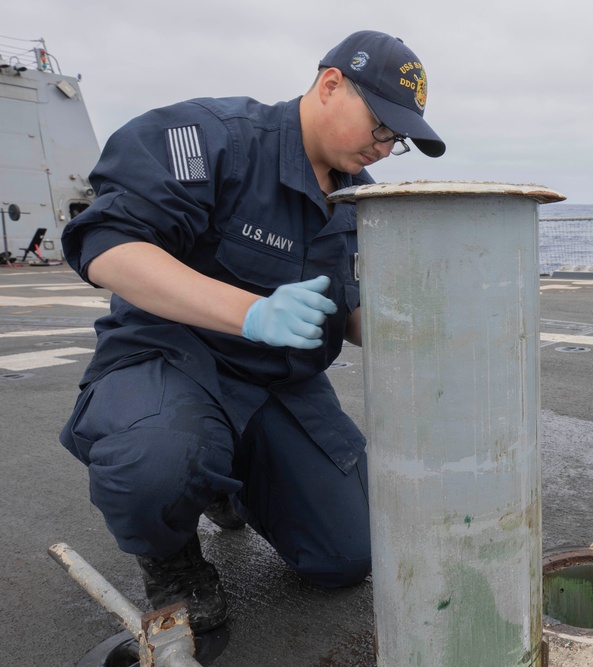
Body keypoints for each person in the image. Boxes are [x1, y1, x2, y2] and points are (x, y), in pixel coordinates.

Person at [58, 30, 445, 632]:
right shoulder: (213, 140)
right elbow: (109, 246)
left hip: (279, 388)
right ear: (331, 84)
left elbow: (352, 311)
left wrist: (425, 332)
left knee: (348, 556)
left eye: (397, 139)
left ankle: (229, 483)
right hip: (173, 363)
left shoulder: (360, 206)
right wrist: (249, 312)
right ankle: (173, 558)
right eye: (380, 126)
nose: (384, 145)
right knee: (157, 463)